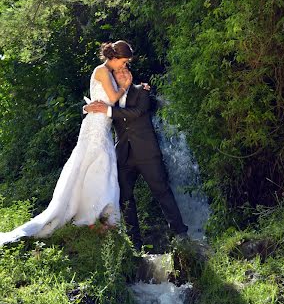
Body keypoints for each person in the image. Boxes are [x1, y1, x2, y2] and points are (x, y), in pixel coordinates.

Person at [0, 40, 132, 246]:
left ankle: (100, 215)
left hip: (104, 125)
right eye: (123, 62)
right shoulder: (102, 71)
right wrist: (124, 86)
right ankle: (91, 216)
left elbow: (112, 103)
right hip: (95, 126)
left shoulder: (111, 72)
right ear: (114, 58)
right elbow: (113, 99)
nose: (124, 66)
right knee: (94, 166)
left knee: (102, 168)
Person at [85, 43, 189, 251]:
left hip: (147, 153)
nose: (122, 72)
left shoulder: (142, 91)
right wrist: (89, 107)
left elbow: (137, 112)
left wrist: (108, 110)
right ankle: (135, 244)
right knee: (125, 198)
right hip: (123, 155)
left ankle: (181, 234)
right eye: (119, 70)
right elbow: (98, 109)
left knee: (162, 191)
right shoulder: (111, 98)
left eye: (126, 69)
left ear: (131, 73)